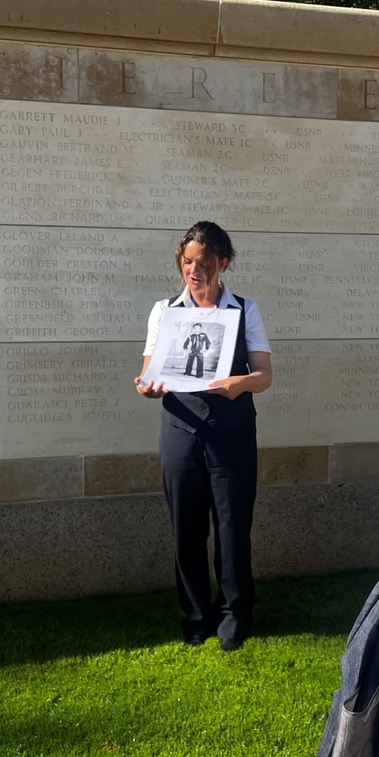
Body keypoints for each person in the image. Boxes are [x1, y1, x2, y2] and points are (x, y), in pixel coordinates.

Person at [136, 221, 273, 652]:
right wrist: (145, 386)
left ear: (223, 263)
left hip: (230, 432)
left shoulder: (244, 310)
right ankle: (195, 614)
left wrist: (239, 384)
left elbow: (264, 375)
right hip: (179, 429)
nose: (194, 271)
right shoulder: (164, 311)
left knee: (233, 525)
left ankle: (235, 612)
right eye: (187, 261)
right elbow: (147, 373)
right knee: (187, 528)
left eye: (204, 263)